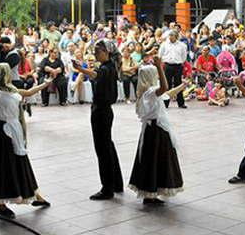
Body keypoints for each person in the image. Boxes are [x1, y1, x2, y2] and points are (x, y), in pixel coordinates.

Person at [0, 64, 52, 219]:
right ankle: (1, 205)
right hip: (3, 132)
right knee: (4, 167)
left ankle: (35, 196)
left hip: (15, 130)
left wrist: (45, 84)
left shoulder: (11, 89)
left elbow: (27, 92)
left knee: (21, 163)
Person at [72, 40, 123, 200]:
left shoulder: (106, 68)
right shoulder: (110, 67)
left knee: (103, 149)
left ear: (106, 52)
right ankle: (116, 183)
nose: (95, 54)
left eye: (98, 52)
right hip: (104, 110)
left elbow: (96, 75)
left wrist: (80, 69)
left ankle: (107, 188)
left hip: (102, 111)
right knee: (108, 146)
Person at [128, 59, 184, 205]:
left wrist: (182, 86)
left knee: (153, 161)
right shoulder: (150, 92)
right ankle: (150, 193)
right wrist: (160, 66)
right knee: (154, 161)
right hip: (155, 132)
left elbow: (167, 93)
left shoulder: (149, 92)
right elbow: (164, 88)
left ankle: (152, 191)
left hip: (154, 130)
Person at [158, 31, 188, 109]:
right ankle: (165, 103)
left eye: (172, 35)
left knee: (178, 84)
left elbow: (184, 57)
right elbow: (160, 55)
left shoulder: (182, 45)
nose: (170, 37)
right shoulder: (164, 44)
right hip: (168, 65)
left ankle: (181, 103)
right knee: (167, 84)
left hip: (178, 65)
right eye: (169, 35)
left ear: (176, 36)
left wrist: (180, 62)